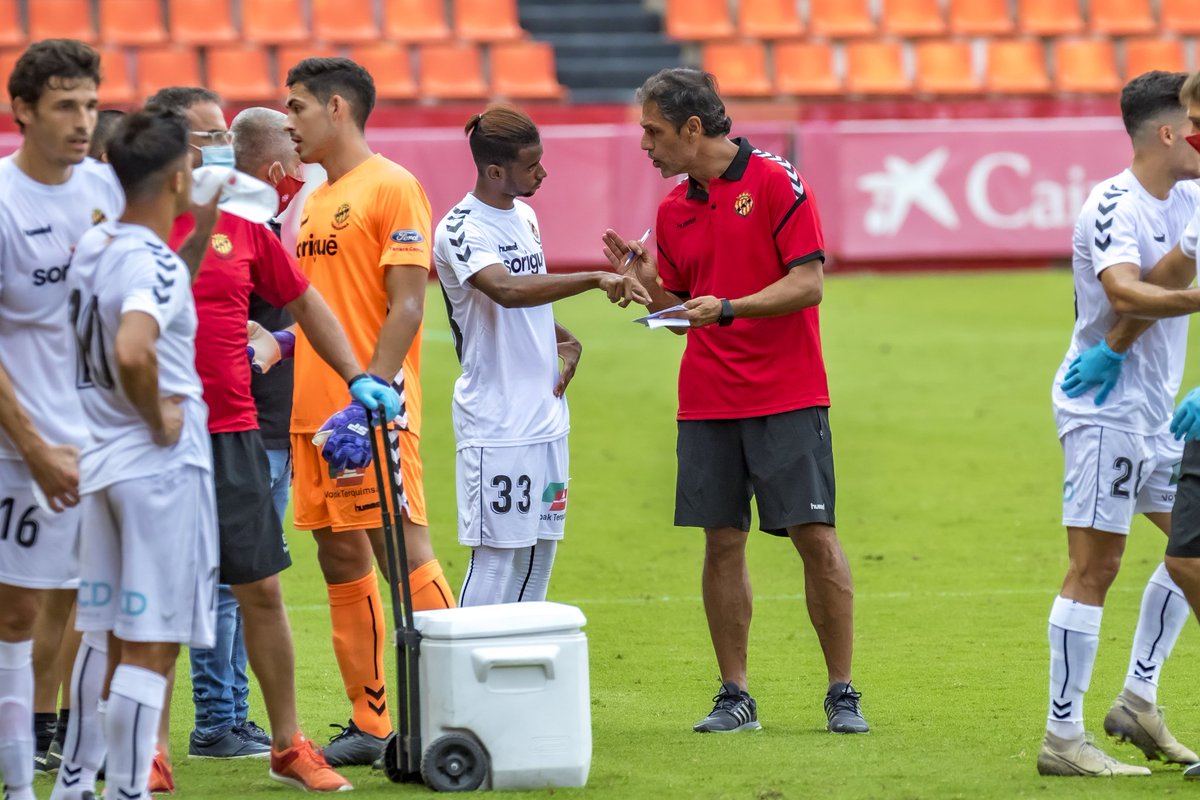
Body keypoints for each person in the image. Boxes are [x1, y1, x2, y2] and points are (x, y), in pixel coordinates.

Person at [601, 68, 869, 736]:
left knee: (815, 538)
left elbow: (808, 284)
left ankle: (842, 692)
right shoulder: (672, 210)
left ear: (692, 128)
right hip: (707, 398)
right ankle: (735, 695)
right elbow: (682, 315)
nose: (645, 145)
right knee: (721, 542)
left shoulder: (777, 180)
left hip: (788, 392)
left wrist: (728, 308)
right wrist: (647, 283)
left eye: (653, 131)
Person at [159, 90, 389, 791]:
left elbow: (305, 302)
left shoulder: (245, 225)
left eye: (226, 136)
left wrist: (357, 376)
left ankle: (287, 745)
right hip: (154, 433)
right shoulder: (133, 222)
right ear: (174, 145)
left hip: (232, 430)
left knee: (259, 587)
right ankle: (149, 751)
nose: (223, 147)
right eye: (211, 136)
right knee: (158, 594)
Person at [283, 56, 456, 765]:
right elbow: (320, 305)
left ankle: (462, 706)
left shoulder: (392, 185)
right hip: (312, 412)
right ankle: (371, 720)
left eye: (296, 107)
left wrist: (369, 395)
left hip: (370, 409)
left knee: (402, 550)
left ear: (337, 108)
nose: (288, 122)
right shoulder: (314, 199)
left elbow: (407, 305)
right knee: (337, 556)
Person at [1040, 70, 1200, 777]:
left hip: (1160, 412)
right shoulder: (1111, 203)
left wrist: (1118, 341)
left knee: (1193, 548)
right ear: (1168, 133)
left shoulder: (1190, 196)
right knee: (1095, 566)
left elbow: (1172, 274)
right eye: (1195, 128)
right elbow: (1127, 289)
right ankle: (1063, 739)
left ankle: (1138, 698)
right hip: (1105, 411)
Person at [60, 106, 218, 800]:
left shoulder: (96, 244)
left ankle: (74, 784)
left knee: (103, 634)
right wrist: (158, 417)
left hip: (99, 457)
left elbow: (150, 291)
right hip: (156, 470)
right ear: (178, 175)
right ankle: (127, 790)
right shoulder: (149, 261)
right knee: (151, 643)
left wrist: (200, 232)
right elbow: (133, 347)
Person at [433, 105, 648, 607]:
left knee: (539, 555)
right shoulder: (460, 229)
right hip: (498, 423)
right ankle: (471, 658)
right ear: (494, 171)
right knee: (496, 557)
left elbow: (524, 300)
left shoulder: (525, 216)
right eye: (532, 166)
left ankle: (519, 658)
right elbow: (506, 290)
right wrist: (596, 278)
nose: (543, 173)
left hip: (547, 416)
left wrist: (560, 338)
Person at [0, 39, 124, 800]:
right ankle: (17, 785)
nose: (83, 122)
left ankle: (78, 783)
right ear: (22, 110)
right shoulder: (3, 203)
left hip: (108, 445)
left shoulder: (108, 189)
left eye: (90, 105)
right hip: (23, 449)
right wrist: (35, 447)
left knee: (105, 612)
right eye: (65, 106)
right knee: (16, 614)